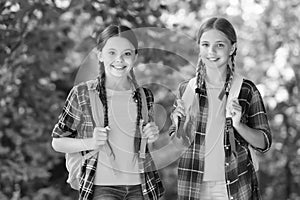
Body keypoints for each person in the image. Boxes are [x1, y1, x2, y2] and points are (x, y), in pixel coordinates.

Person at [51, 25, 164, 200]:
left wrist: (151, 137)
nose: (119, 60)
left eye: (127, 53)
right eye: (112, 52)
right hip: (101, 187)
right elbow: (57, 142)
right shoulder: (82, 94)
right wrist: (91, 142)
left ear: (135, 57)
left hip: (141, 186)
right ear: (100, 55)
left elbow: (144, 146)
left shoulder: (144, 95)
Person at [169, 17, 272, 200]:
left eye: (220, 45)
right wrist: (179, 125)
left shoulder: (246, 90)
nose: (211, 51)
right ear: (199, 47)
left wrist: (239, 125)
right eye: (205, 44)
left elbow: (264, 142)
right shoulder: (187, 89)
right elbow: (177, 145)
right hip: (193, 184)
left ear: (232, 48)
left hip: (234, 183)